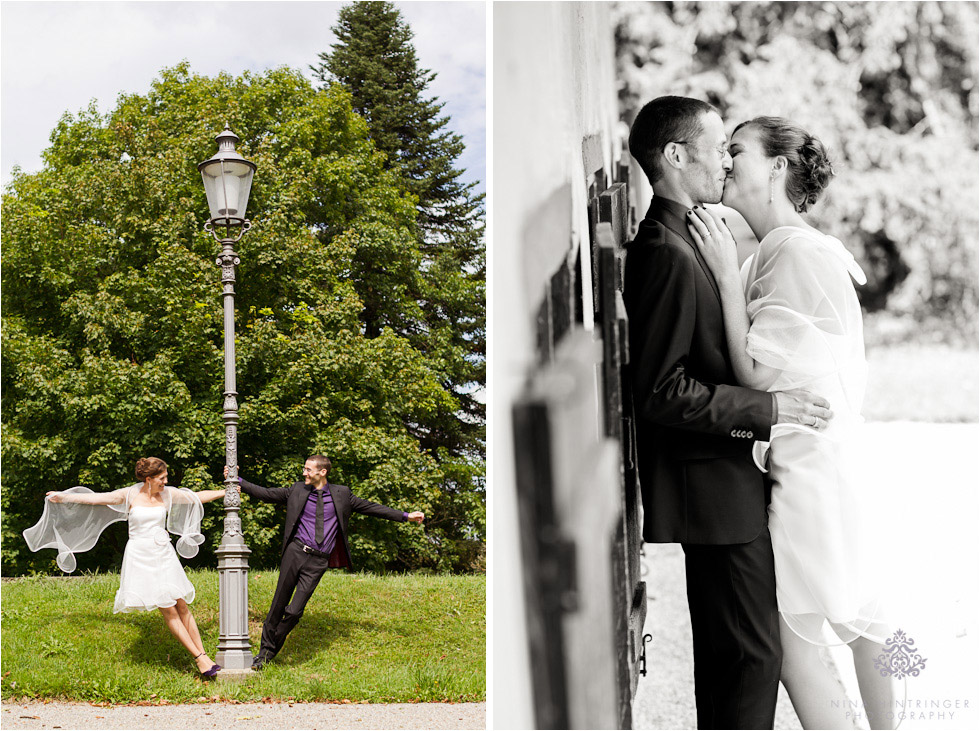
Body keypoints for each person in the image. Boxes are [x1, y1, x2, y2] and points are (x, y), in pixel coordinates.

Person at [624, 96, 834, 729]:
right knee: (749, 661)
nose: (725, 159)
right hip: (710, 493)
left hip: (724, 487)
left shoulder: (696, 234)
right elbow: (662, 392)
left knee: (735, 662)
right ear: (676, 155)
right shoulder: (664, 249)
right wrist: (770, 407)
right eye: (718, 147)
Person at [685, 116, 896, 730]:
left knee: (808, 626)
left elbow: (752, 374)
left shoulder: (793, 251)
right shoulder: (781, 247)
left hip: (811, 469)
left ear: (777, 167)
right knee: (836, 616)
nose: (725, 161)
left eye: (737, 151)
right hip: (809, 460)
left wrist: (725, 274)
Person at [23, 457, 227, 677]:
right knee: (168, 608)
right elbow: (96, 499)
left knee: (182, 604)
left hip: (163, 554)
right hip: (140, 556)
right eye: (162, 478)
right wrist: (62, 497)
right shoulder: (129, 494)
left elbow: (196, 497)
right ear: (148, 479)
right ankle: (199, 659)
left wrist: (226, 492)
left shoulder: (167, 494)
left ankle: (204, 655)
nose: (165, 482)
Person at [227, 455, 425, 670]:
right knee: (278, 604)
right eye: (304, 469)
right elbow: (266, 494)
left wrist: (405, 516)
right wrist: (239, 481)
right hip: (295, 553)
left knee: (294, 611)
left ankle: (272, 644)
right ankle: (265, 655)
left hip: (318, 561)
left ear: (323, 472)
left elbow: (372, 508)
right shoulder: (296, 490)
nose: (304, 473)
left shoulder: (342, 494)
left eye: (308, 469)